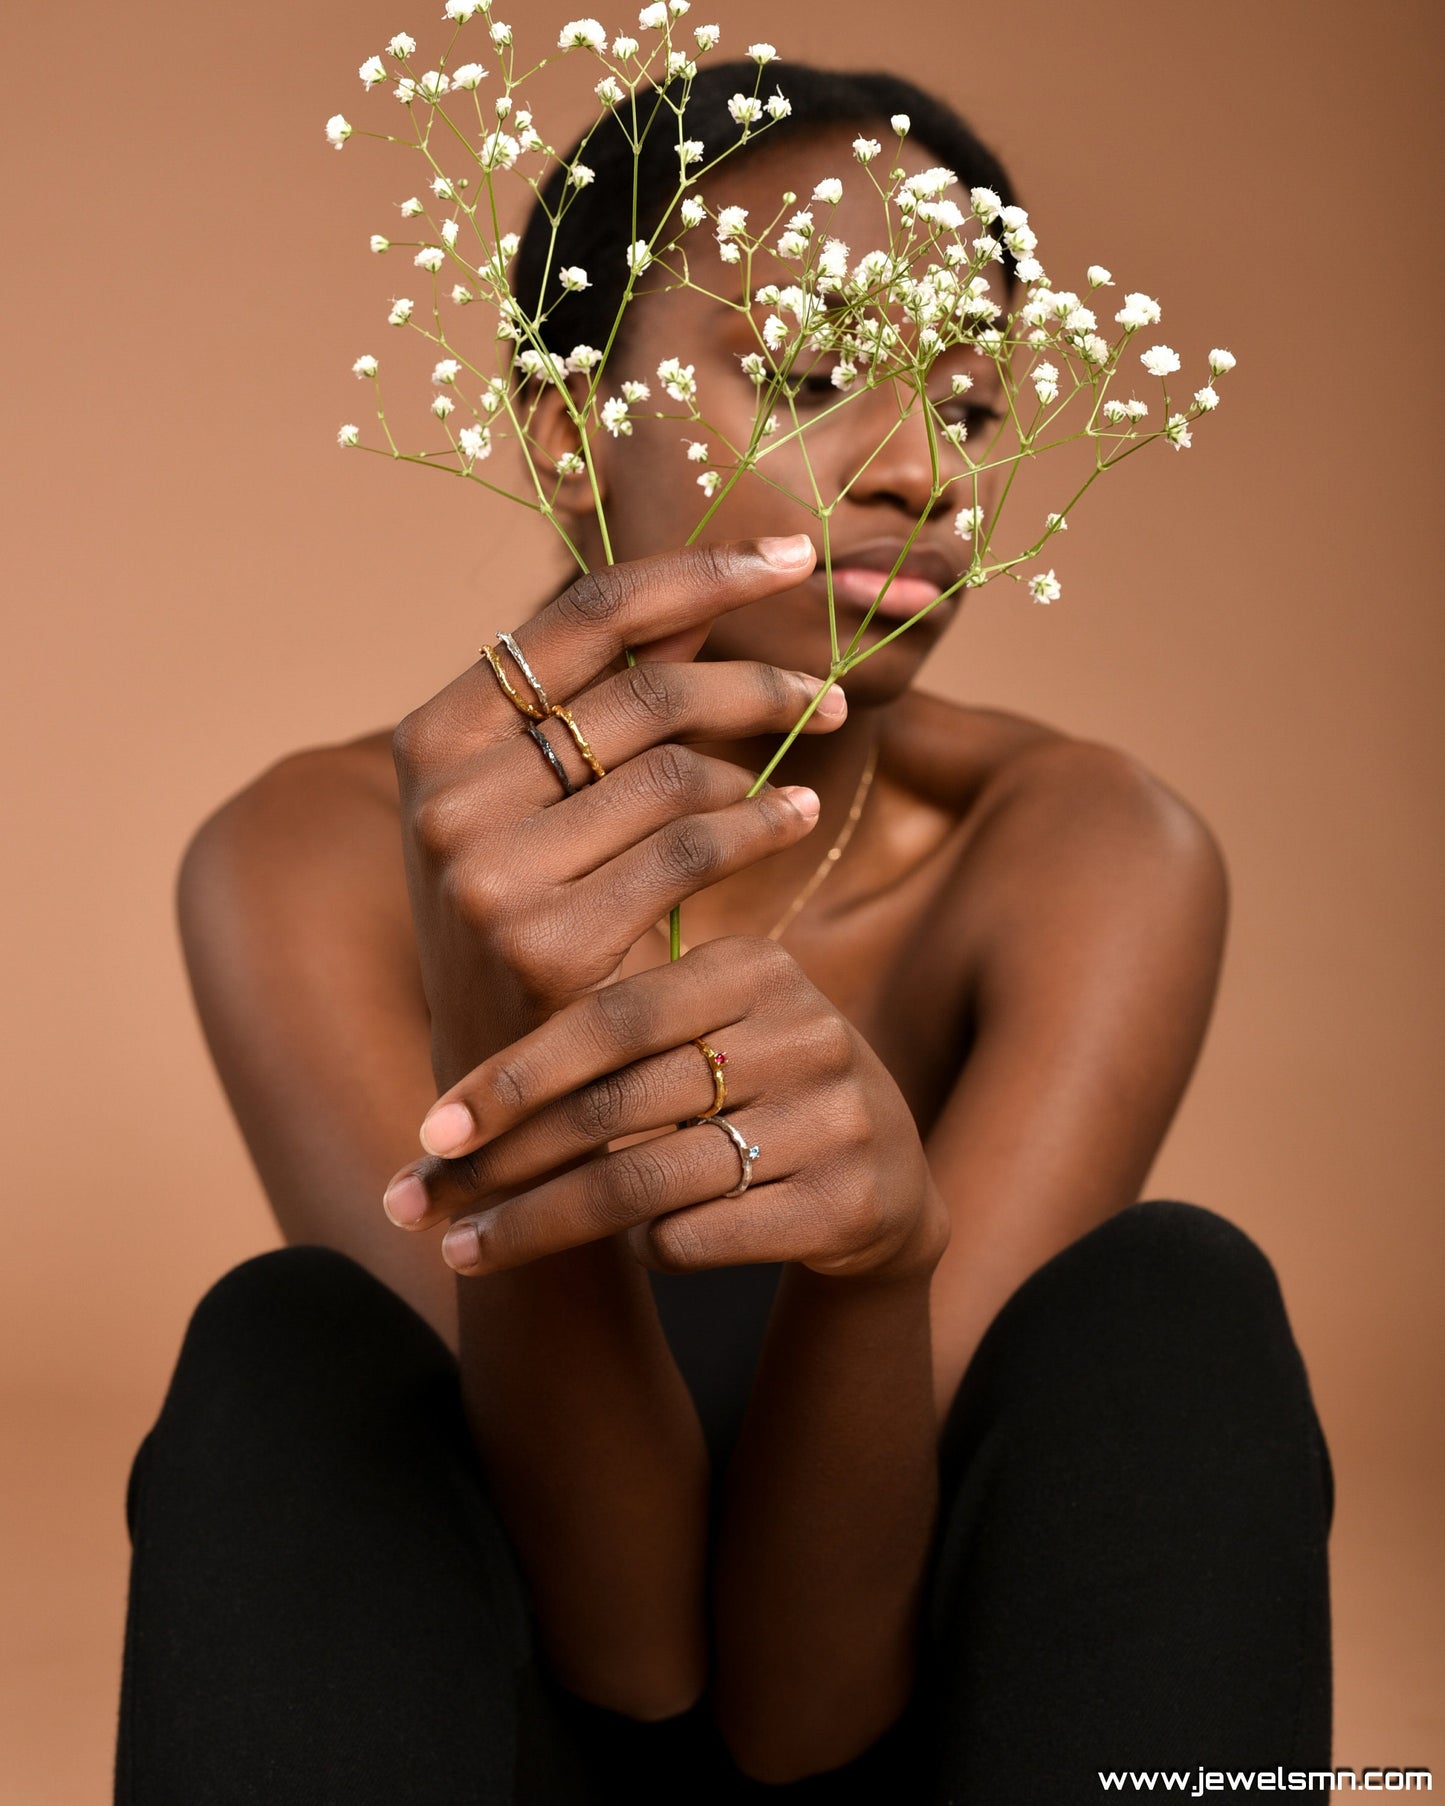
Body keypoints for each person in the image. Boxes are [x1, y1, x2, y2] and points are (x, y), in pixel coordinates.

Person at [114, 61, 1334, 1805]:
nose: (924, 471)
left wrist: (878, 1273)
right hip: (492, 1737)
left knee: (1176, 1309)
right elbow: (626, 1652)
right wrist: (497, 1031)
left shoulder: (1071, 853)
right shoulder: (301, 863)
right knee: (290, 1350)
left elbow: (800, 1709)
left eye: (972, 409)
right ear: (562, 425)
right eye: (816, 376)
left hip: (925, 1726)